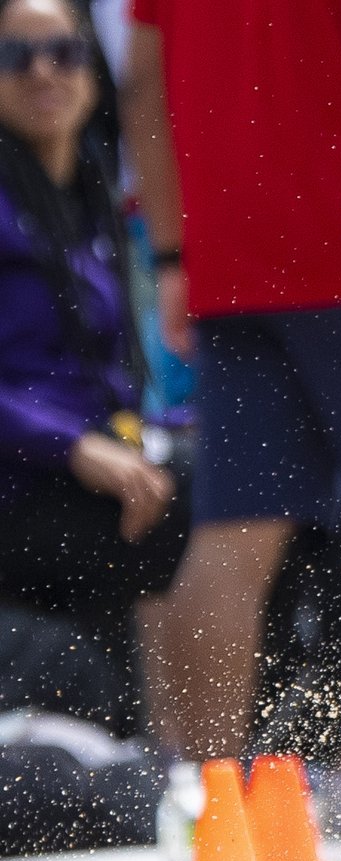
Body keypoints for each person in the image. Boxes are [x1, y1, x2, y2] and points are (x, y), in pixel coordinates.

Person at [118, 0, 341, 766]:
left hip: (228, 260)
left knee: (233, 538)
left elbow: (141, 85)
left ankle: (208, 803)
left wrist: (173, 256)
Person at [0, 0, 184, 737]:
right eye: (16, 57)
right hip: (24, 480)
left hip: (84, 475)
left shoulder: (88, 194)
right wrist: (76, 448)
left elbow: (110, 375)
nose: (44, 71)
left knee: (260, 490)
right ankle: (213, 764)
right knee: (225, 518)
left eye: (64, 52)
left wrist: (151, 438)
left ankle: (257, 766)